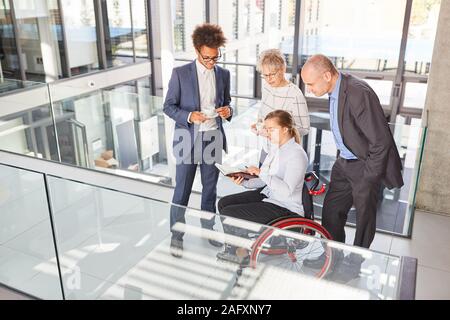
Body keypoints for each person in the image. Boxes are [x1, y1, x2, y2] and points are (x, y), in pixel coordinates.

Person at [300, 54, 403, 270]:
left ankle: (354, 264)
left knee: (364, 220)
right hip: (344, 162)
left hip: (364, 165)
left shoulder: (358, 93)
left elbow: (380, 142)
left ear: (327, 75)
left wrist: (369, 178)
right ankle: (332, 256)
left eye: (310, 84)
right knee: (331, 212)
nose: (308, 89)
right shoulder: (335, 89)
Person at [163, 23, 233, 257]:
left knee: (210, 189)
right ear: (197, 51)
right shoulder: (180, 74)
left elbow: (228, 102)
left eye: (215, 58)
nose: (212, 62)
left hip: (213, 137)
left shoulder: (223, 74)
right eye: (207, 58)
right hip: (186, 137)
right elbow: (168, 107)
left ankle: (208, 230)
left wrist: (228, 111)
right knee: (182, 190)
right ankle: (176, 235)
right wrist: (189, 116)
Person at [217, 110, 308, 263]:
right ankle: (240, 246)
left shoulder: (297, 155)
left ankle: (240, 253)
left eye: (271, 129)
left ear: (285, 129)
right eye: (266, 129)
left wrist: (261, 172)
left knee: (230, 213)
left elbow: (286, 190)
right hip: (270, 196)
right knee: (223, 203)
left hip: (285, 206)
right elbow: (264, 178)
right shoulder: (276, 148)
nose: (267, 133)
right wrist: (244, 182)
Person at [252, 49, 310, 163]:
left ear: (282, 69)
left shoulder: (295, 94)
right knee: (260, 179)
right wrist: (259, 125)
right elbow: (263, 115)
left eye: (272, 74)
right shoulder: (266, 87)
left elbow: (304, 128)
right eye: (265, 75)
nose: (268, 79)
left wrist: (274, 132)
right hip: (266, 149)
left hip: (284, 154)